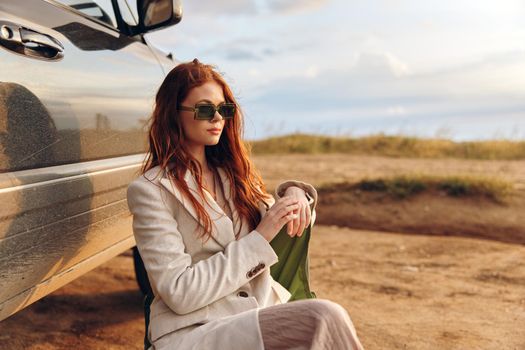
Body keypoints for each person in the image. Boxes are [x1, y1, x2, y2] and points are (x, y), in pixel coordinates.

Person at [126, 59, 365, 350]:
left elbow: (288, 222)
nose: (217, 118)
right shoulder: (150, 191)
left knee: (325, 320)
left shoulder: (232, 175)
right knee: (323, 316)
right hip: (194, 330)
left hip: (256, 313)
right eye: (204, 109)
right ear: (174, 114)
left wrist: (295, 193)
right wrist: (259, 237)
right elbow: (179, 292)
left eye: (224, 109)